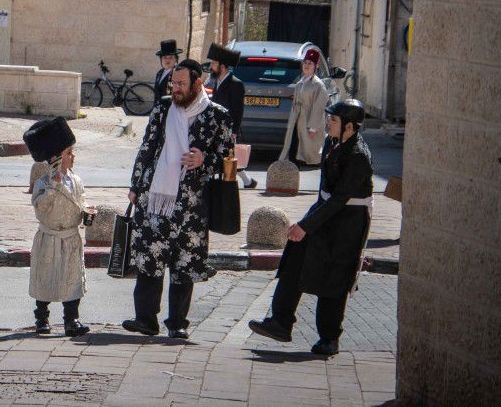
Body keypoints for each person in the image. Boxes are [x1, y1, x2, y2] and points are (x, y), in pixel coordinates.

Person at [248, 99, 373, 356]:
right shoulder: (332, 142)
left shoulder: (358, 155)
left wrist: (306, 225)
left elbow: (340, 199)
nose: (328, 123)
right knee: (295, 259)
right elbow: (326, 192)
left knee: (334, 278)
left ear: (349, 126)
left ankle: (329, 338)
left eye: (334, 120)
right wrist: (305, 224)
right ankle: (281, 322)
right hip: (324, 214)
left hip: (347, 223)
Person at [122, 59, 233, 339]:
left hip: (192, 205)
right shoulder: (162, 108)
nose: (176, 89)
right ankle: (145, 320)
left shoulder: (218, 116)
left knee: (184, 265)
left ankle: (178, 323)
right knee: (150, 260)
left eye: (182, 84)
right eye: (174, 83)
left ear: (199, 84)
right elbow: (147, 147)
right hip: (154, 198)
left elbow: (230, 159)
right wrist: (136, 184)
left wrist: (205, 159)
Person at [23, 117, 90, 337]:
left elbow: (81, 200)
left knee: (72, 279)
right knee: (45, 277)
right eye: (68, 152)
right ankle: (42, 318)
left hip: (70, 237)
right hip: (49, 237)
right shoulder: (43, 183)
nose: (73, 156)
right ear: (54, 158)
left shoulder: (76, 181)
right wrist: (53, 187)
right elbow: (40, 208)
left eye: (72, 152)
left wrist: (87, 212)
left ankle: (72, 319)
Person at [207, 43, 255, 189]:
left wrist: (234, 132)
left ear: (222, 67)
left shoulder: (236, 84)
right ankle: (247, 182)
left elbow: (237, 111)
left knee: (228, 158)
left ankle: (232, 185)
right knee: (223, 157)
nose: (211, 66)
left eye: (214, 63)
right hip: (215, 127)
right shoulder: (215, 82)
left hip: (227, 130)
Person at [288, 48, 329, 166]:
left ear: (316, 66)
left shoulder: (318, 85)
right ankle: (292, 175)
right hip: (297, 121)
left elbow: (319, 107)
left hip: (308, 122)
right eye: (305, 62)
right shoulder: (300, 83)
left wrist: (313, 128)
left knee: (307, 153)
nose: (306, 65)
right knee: (294, 152)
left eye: (310, 63)